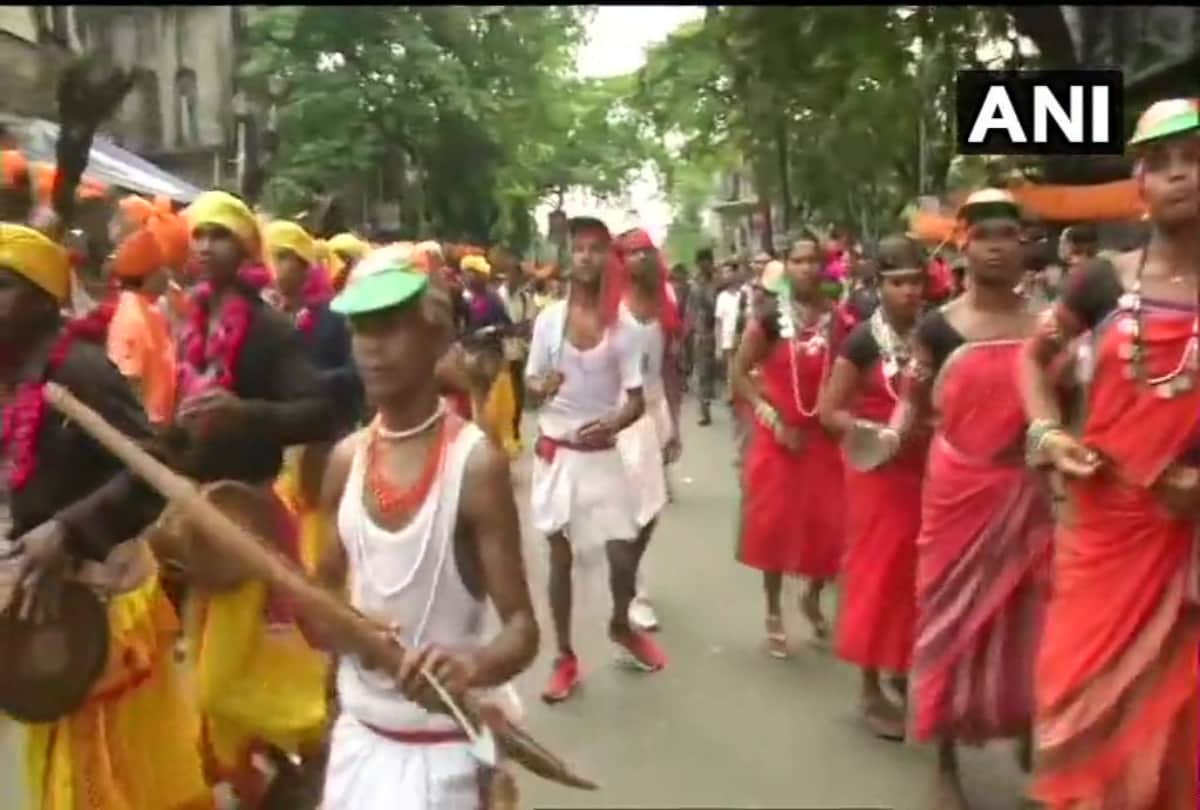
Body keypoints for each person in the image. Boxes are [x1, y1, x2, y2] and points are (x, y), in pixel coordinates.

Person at [1020, 98, 1200, 810]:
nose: (1182, 176)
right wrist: (1049, 434)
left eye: (1196, 160)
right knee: (1084, 708)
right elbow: (1035, 363)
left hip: (1189, 545)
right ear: (1140, 187)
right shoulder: (1103, 281)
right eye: (1163, 164)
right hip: (1106, 532)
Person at [312, 248, 538, 809]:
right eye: (361, 329)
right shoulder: (345, 461)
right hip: (357, 746)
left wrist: (471, 666)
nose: (371, 348)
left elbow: (521, 629)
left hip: (444, 757)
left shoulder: (476, 465)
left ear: (435, 335)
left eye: (390, 327)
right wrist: (352, 631)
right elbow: (320, 602)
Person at [0, 223, 209, 809]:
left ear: (43, 302)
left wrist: (67, 533)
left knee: (111, 784)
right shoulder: (15, 372)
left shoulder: (79, 369)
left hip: (103, 609)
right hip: (50, 611)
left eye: (3, 287)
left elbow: (157, 463)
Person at [173, 190, 338, 805]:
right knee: (208, 681)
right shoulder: (189, 324)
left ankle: (315, 727)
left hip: (251, 526)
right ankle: (262, 771)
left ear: (244, 248)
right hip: (200, 528)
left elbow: (318, 409)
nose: (205, 246)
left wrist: (246, 414)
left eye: (219, 235)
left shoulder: (267, 329)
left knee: (217, 686)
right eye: (198, 235)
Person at [894, 189, 1054, 809]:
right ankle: (943, 760)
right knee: (946, 623)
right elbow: (914, 405)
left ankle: (1033, 736)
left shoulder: (1047, 324)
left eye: (1007, 234)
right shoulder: (938, 326)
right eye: (982, 233)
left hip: (1030, 494)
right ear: (964, 245)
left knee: (1034, 622)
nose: (995, 245)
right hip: (957, 492)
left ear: (1023, 245)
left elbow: (1063, 407)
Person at [526, 213, 666, 703]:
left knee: (623, 550)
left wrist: (613, 423)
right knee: (559, 554)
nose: (585, 256)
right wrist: (540, 387)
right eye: (578, 248)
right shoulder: (547, 321)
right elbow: (529, 390)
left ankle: (619, 624)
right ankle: (564, 656)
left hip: (603, 451)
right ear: (568, 258)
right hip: (557, 452)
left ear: (608, 258)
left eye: (594, 248)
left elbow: (635, 398)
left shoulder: (624, 327)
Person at [818, 235, 927, 741]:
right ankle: (868, 687)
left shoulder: (935, 334)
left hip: (928, 468)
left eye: (915, 281)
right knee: (877, 576)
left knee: (918, 576)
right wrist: (876, 436)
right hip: (876, 474)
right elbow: (829, 411)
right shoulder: (862, 340)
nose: (909, 291)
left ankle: (902, 666)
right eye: (898, 282)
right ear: (878, 285)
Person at [733, 231, 851, 657]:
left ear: (823, 268)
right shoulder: (768, 319)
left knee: (832, 527)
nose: (806, 268)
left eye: (812, 261)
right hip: (778, 438)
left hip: (823, 440)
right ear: (786, 267)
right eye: (798, 261)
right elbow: (740, 373)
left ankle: (814, 597)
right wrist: (772, 418)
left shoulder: (839, 320)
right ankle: (773, 612)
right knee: (774, 529)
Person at [264, 218, 361, 573]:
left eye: (284, 256)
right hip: (272, 447)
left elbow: (355, 373)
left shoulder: (333, 318)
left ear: (305, 266)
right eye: (271, 255)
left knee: (318, 537)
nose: (275, 265)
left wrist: (314, 382)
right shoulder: (261, 315)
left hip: (320, 446)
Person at [614, 227, 684, 634]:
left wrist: (674, 424)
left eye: (646, 252)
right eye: (631, 253)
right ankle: (633, 594)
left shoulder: (666, 301)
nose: (640, 259)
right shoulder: (611, 306)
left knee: (650, 508)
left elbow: (671, 365)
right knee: (638, 504)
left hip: (655, 403)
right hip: (622, 406)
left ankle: (627, 575)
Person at [105, 225, 178, 426]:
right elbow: (128, 383)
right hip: (146, 430)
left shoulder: (148, 309)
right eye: (162, 268)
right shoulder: (132, 317)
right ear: (148, 275)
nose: (167, 275)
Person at [494, 245, 534, 448]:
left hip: (517, 356)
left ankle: (514, 434)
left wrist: (518, 330)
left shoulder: (525, 299)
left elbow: (528, 326)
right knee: (499, 398)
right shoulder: (495, 298)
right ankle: (499, 437)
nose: (513, 279)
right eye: (510, 275)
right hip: (497, 356)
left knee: (517, 398)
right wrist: (511, 329)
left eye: (517, 276)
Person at [688, 247, 720, 425]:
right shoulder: (695, 284)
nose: (705, 265)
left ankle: (713, 397)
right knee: (702, 372)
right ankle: (704, 410)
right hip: (702, 333)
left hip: (721, 330)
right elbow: (690, 310)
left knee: (716, 371)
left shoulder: (719, 281)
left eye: (708, 261)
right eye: (702, 263)